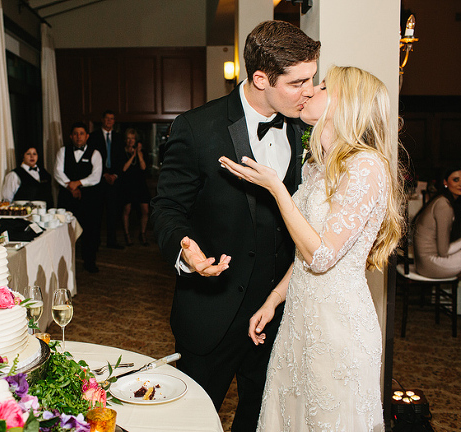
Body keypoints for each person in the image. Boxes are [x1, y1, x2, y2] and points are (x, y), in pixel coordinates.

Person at [151, 20, 317, 432]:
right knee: (192, 421)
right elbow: (167, 206)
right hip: (214, 310)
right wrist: (185, 248)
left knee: (262, 420)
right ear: (261, 78)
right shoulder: (196, 127)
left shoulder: (304, 127)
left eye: (312, 79)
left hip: (281, 310)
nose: (309, 92)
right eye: (298, 83)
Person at [227, 65, 403, 431]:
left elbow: (321, 256)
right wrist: (274, 300)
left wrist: (277, 190)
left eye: (322, 86)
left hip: (338, 329)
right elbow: (304, 255)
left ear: (345, 103)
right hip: (300, 323)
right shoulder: (317, 168)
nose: (310, 91)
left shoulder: (366, 166)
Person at [412, 166, 461, 337]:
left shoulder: (443, 201)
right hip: (432, 264)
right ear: (445, 183)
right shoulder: (443, 205)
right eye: (456, 180)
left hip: (427, 264)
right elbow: (444, 252)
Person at [55, 122, 104, 273]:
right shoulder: (63, 151)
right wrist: (70, 186)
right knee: (64, 230)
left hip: (89, 198)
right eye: (75, 133)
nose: (78, 136)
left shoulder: (95, 153)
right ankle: (64, 265)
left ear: (87, 136)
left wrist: (78, 183)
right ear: (71, 136)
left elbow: (96, 176)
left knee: (90, 230)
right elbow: (58, 171)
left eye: (81, 133)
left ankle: (89, 262)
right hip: (67, 196)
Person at [89, 110, 126, 249]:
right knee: (97, 213)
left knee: (113, 212)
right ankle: (96, 242)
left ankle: (112, 241)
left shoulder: (118, 137)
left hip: (114, 181)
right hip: (98, 180)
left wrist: (115, 175)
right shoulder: (93, 137)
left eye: (112, 119)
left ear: (114, 121)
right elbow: (92, 159)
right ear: (102, 120)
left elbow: (121, 159)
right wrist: (104, 174)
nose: (109, 121)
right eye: (107, 118)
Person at [117, 129, 150, 246]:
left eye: (133, 138)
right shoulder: (122, 152)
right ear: (126, 140)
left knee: (145, 210)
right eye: (128, 138)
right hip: (127, 184)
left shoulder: (142, 152)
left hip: (140, 184)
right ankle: (127, 234)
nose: (131, 141)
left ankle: (143, 233)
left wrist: (139, 155)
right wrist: (133, 156)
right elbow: (124, 169)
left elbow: (143, 167)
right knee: (127, 210)